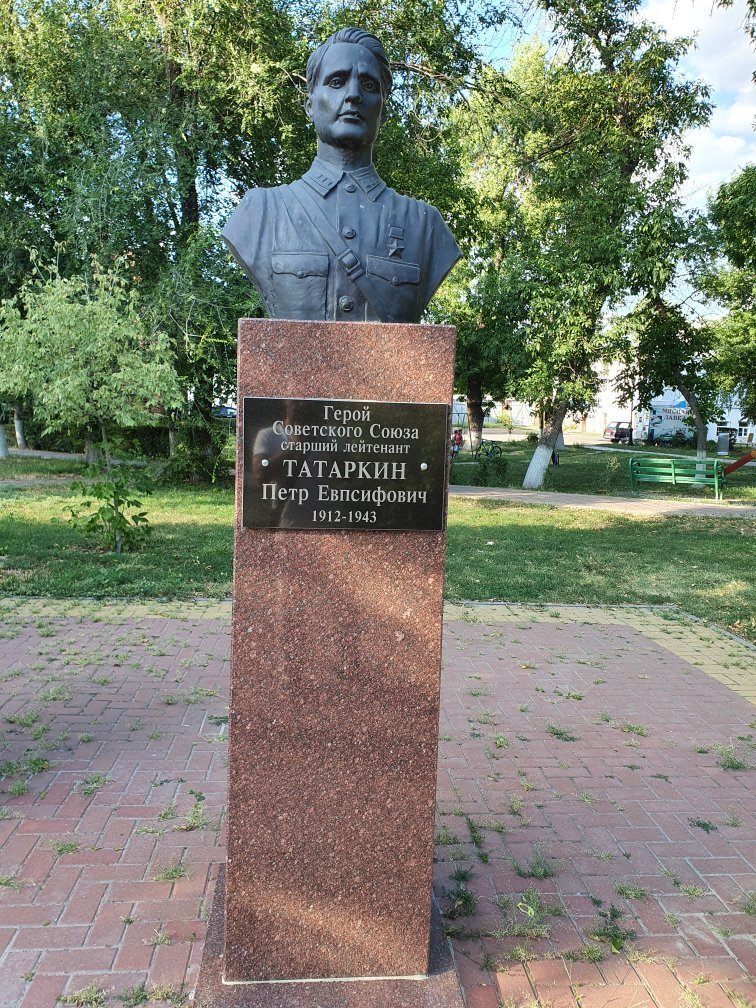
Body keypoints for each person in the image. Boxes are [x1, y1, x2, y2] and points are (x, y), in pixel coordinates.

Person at [222, 28, 461, 323]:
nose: (353, 95)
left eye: (369, 86)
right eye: (337, 82)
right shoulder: (261, 214)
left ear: (383, 112)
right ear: (310, 105)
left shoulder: (425, 227)